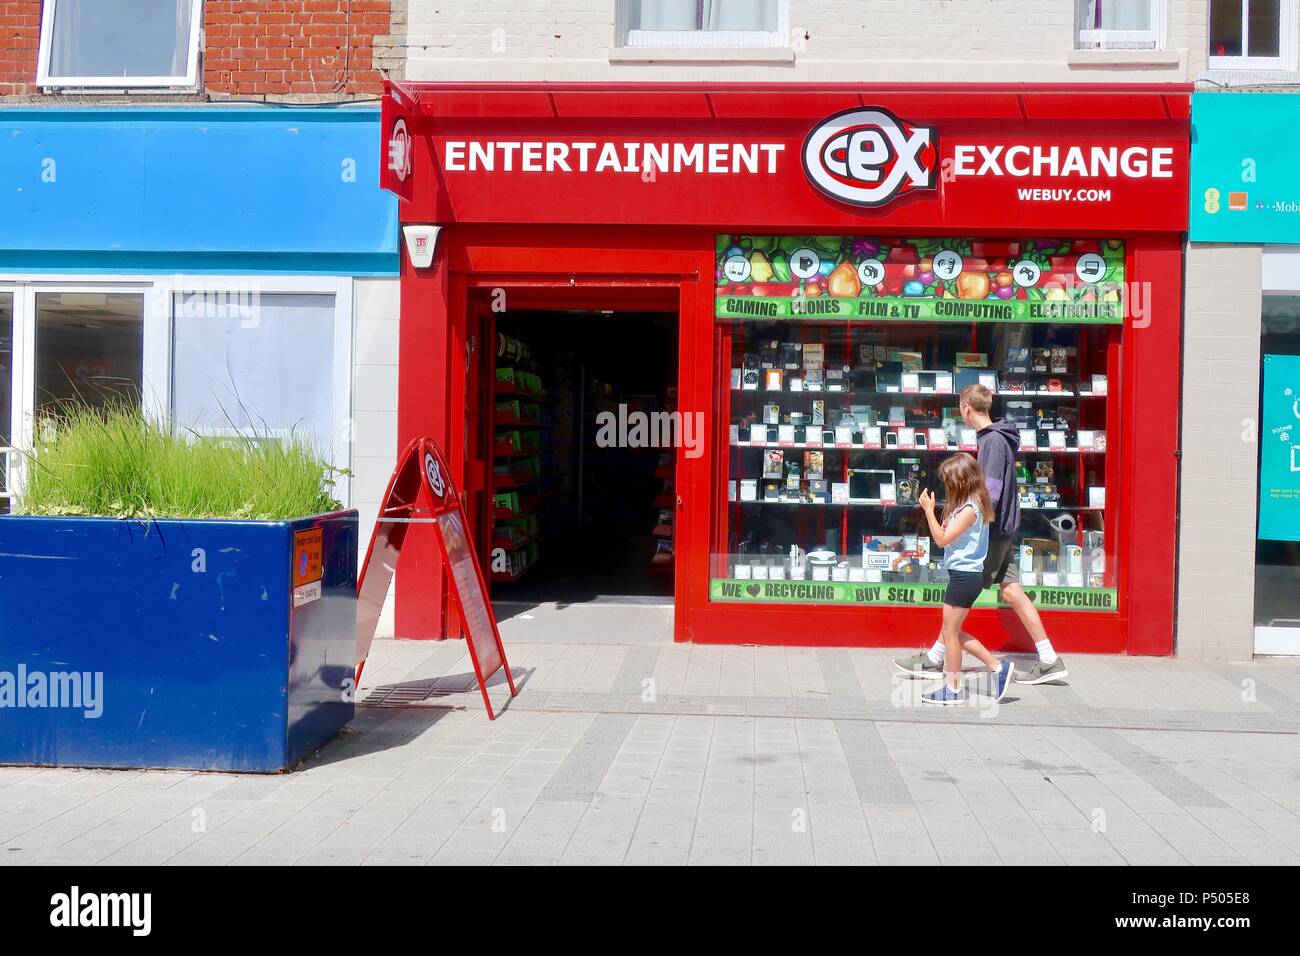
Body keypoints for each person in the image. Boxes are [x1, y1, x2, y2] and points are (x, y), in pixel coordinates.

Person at [895, 383, 1068, 684]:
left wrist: (968, 520)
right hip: (1003, 528)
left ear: (966, 409)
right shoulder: (997, 438)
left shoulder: (992, 442)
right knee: (1012, 591)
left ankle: (938, 659)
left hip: (992, 533)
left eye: (960, 409)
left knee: (960, 596)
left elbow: (991, 493)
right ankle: (1049, 658)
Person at [916, 453, 1014, 706]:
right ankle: (996, 666)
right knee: (953, 632)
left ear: (961, 480)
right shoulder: (968, 505)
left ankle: (954, 687)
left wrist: (929, 511)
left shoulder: (970, 509)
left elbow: (941, 539)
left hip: (965, 577)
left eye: (948, 479)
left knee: (950, 634)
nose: (945, 483)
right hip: (963, 575)